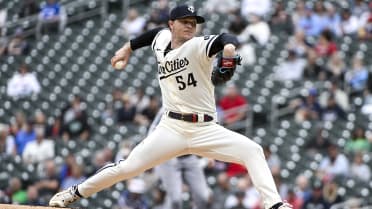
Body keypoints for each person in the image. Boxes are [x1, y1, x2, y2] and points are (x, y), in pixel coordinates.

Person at [49, 5, 292, 209]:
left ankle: (275, 205)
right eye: (184, 22)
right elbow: (152, 35)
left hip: (205, 129)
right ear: (171, 24)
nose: (189, 26)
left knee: (253, 150)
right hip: (171, 128)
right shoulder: (162, 39)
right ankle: (73, 193)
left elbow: (226, 39)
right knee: (128, 167)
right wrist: (126, 49)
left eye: (193, 23)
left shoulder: (197, 45)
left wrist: (228, 50)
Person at [149, 108, 211, 209]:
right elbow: (152, 131)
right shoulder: (167, 107)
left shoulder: (197, 107)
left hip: (189, 157)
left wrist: (208, 154)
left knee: (203, 197)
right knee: (175, 200)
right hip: (169, 158)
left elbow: (207, 130)